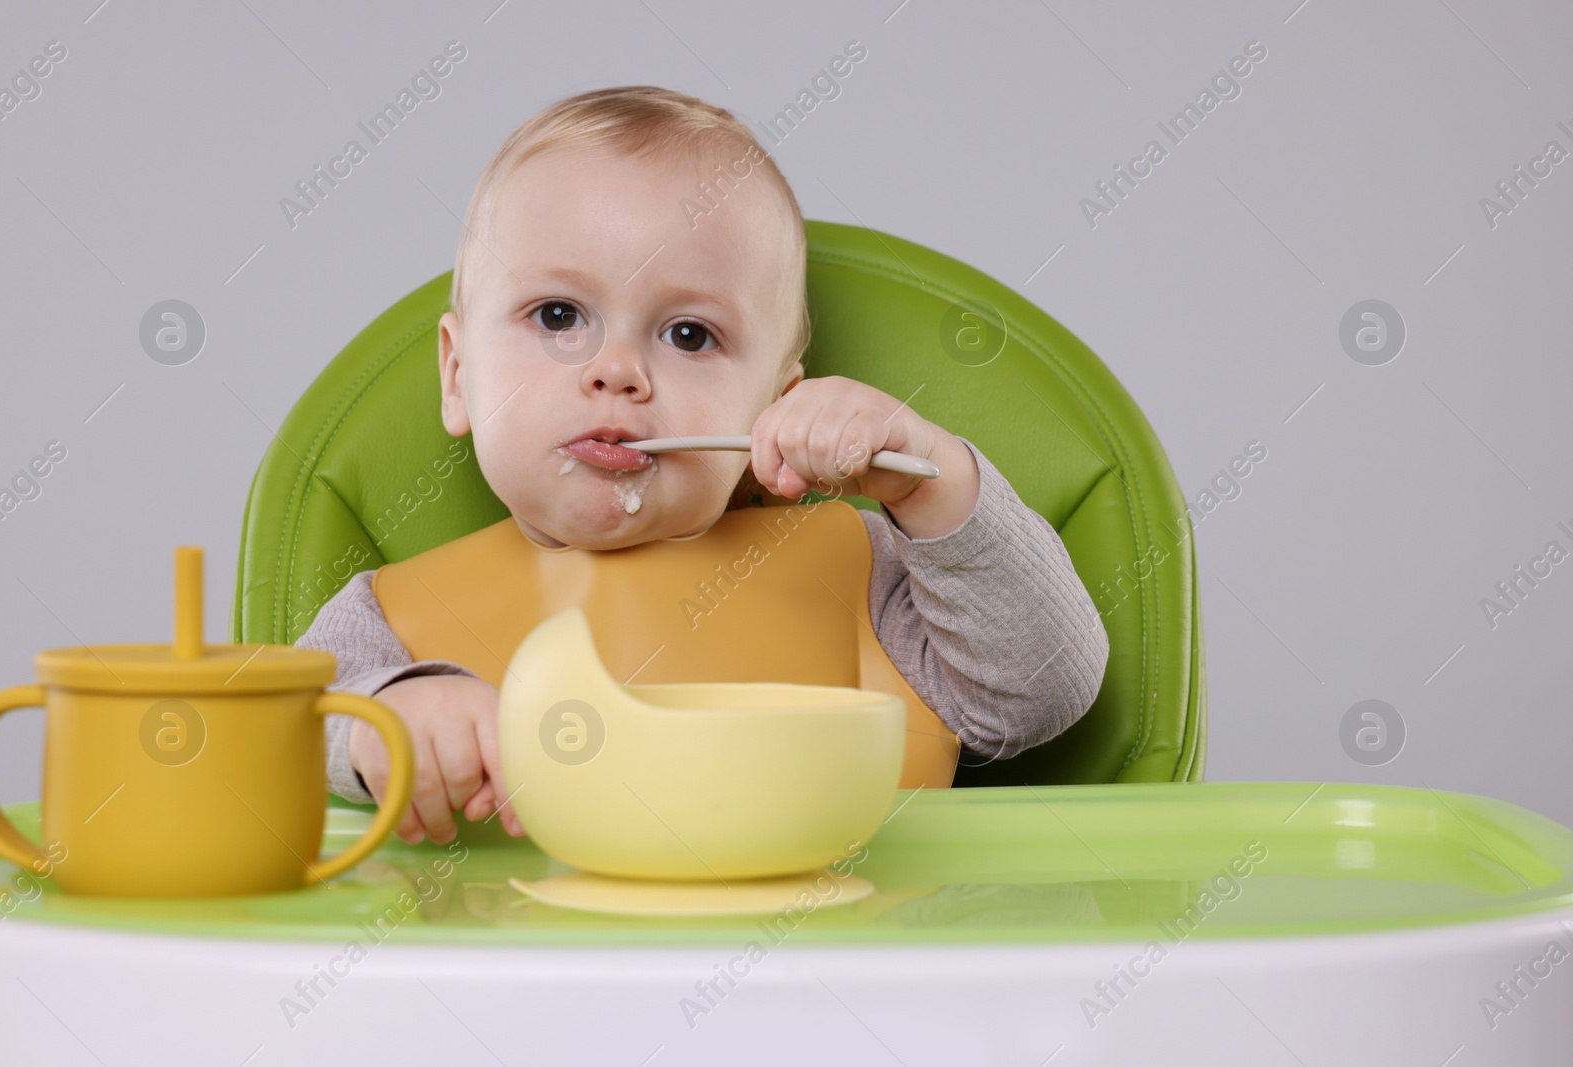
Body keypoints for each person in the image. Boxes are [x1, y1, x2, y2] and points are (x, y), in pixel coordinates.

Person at [296, 86, 1108, 846]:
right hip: (525, 990)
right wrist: (389, 715)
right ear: (458, 377)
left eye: (690, 335)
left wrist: (929, 477)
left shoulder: (866, 575)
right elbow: (286, 728)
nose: (616, 370)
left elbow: (1044, 689)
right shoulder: (391, 624)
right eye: (557, 315)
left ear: (772, 406)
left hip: (840, 981)